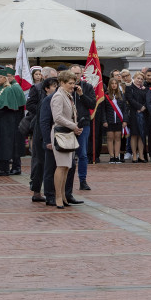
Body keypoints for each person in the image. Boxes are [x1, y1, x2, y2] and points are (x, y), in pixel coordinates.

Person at [50, 70, 83, 209]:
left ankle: (63, 195)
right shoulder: (58, 96)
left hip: (68, 133)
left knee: (66, 167)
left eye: (73, 83)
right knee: (61, 166)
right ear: (62, 83)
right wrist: (73, 125)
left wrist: (74, 127)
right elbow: (57, 117)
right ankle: (58, 196)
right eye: (70, 83)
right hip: (60, 133)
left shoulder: (67, 95)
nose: (72, 85)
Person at [30, 76, 58, 202]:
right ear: (47, 88)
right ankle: (38, 192)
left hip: (46, 135)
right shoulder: (45, 100)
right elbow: (44, 122)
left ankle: (52, 192)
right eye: (54, 86)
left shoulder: (54, 98)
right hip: (41, 135)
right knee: (40, 164)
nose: (56, 88)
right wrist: (46, 139)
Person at [100, 76, 128, 163]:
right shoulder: (106, 96)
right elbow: (103, 110)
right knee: (110, 138)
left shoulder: (121, 96)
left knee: (118, 138)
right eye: (112, 83)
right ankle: (111, 156)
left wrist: (125, 120)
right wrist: (104, 120)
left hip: (119, 120)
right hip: (110, 121)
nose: (114, 85)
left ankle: (117, 156)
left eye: (115, 83)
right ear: (109, 85)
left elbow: (125, 109)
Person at [125, 71, 149, 163]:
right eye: (138, 78)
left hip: (143, 114)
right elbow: (130, 99)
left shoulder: (145, 89)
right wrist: (139, 107)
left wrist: (144, 107)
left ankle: (141, 155)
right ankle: (134, 154)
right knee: (134, 135)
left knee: (141, 135)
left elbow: (148, 99)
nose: (139, 80)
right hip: (134, 114)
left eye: (141, 79)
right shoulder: (129, 88)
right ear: (134, 78)